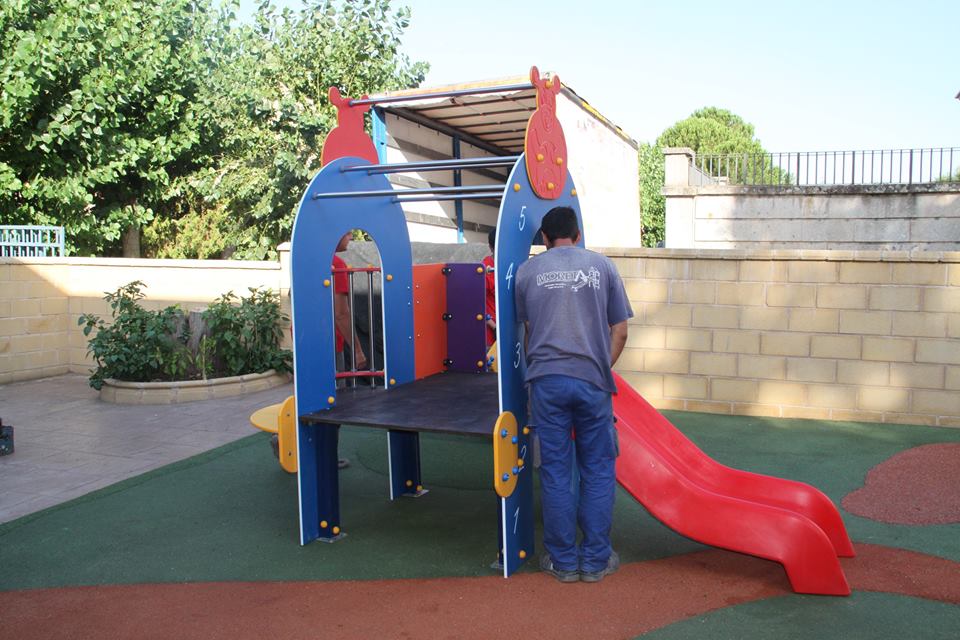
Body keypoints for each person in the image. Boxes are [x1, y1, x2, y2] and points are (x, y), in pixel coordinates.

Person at [514, 206, 632, 584]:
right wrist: (600, 368)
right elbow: (620, 331)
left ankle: (563, 561)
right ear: (578, 235)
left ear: (544, 239)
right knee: (597, 468)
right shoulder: (603, 267)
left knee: (555, 470)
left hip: (546, 382)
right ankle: (595, 560)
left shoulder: (527, 272)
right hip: (591, 381)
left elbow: (529, 330)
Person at [332, 231, 368, 469]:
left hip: (304, 339)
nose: (352, 237)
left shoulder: (305, 257)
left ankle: (287, 438)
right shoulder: (336, 265)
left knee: (308, 394)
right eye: (348, 233)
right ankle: (328, 455)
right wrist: (357, 349)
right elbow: (341, 314)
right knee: (333, 398)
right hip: (328, 341)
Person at [482, 227, 497, 347]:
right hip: (491, 335)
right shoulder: (484, 269)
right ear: (491, 248)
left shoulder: (511, 265)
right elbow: (477, 304)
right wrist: (494, 327)